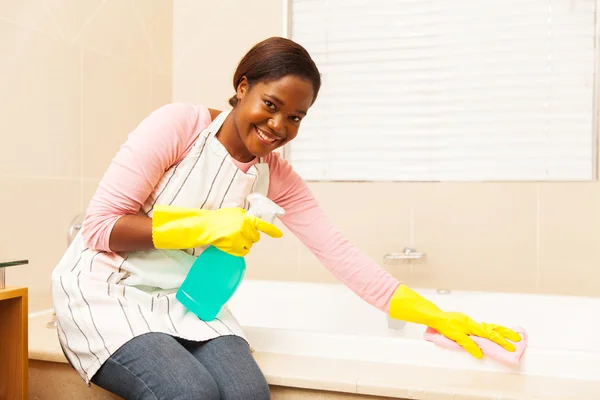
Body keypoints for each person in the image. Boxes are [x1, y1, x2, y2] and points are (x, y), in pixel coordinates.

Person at [51, 37, 521, 400]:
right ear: (242, 88)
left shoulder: (274, 176)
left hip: (186, 302)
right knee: (189, 392)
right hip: (108, 294)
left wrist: (435, 315)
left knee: (247, 393)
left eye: (295, 117)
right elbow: (100, 227)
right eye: (270, 105)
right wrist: (203, 226)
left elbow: (341, 256)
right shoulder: (179, 126)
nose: (279, 126)